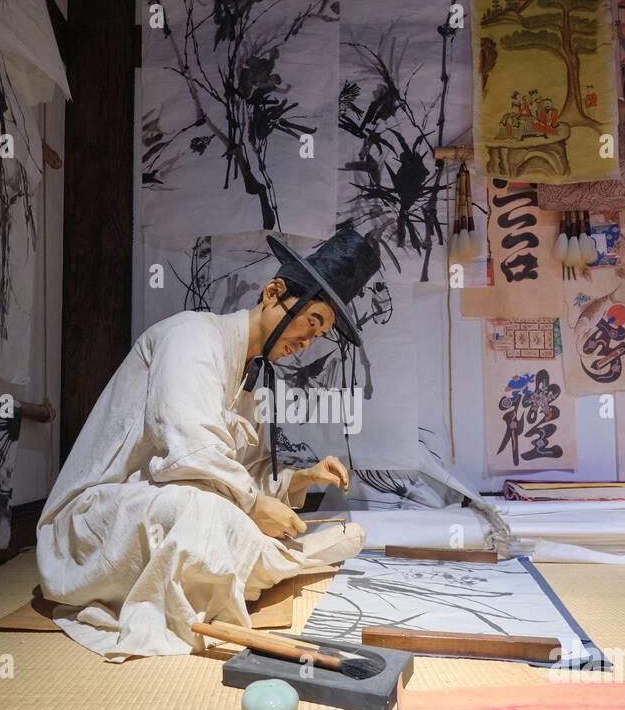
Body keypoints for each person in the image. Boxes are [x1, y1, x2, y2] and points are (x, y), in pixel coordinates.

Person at [36, 230, 379, 660]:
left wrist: (298, 478)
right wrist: (253, 506)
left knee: (213, 515)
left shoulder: (249, 381)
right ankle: (291, 560)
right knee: (201, 514)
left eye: (320, 334)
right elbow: (190, 450)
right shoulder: (192, 336)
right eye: (310, 322)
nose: (307, 343)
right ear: (273, 293)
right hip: (95, 520)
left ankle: (276, 558)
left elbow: (240, 473)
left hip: (164, 502)